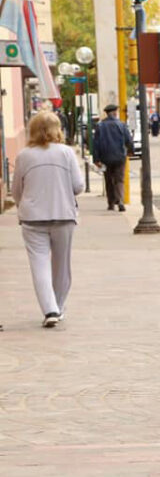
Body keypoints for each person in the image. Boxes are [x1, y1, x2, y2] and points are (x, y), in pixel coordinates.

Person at [12, 111, 85, 328]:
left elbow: (17, 190)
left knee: (39, 265)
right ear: (57, 130)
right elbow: (78, 186)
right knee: (62, 265)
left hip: (32, 219)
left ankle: (50, 309)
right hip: (63, 215)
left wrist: (23, 206)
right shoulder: (66, 153)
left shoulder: (24, 156)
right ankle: (58, 307)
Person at [92, 104, 133, 212]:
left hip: (105, 158)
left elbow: (95, 144)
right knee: (119, 179)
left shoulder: (100, 126)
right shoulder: (121, 125)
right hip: (120, 157)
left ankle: (111, 203)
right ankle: (120, 201)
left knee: (108, 180)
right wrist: (130, 151)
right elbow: (128, 139)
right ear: (115, 113)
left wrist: (96, 159)